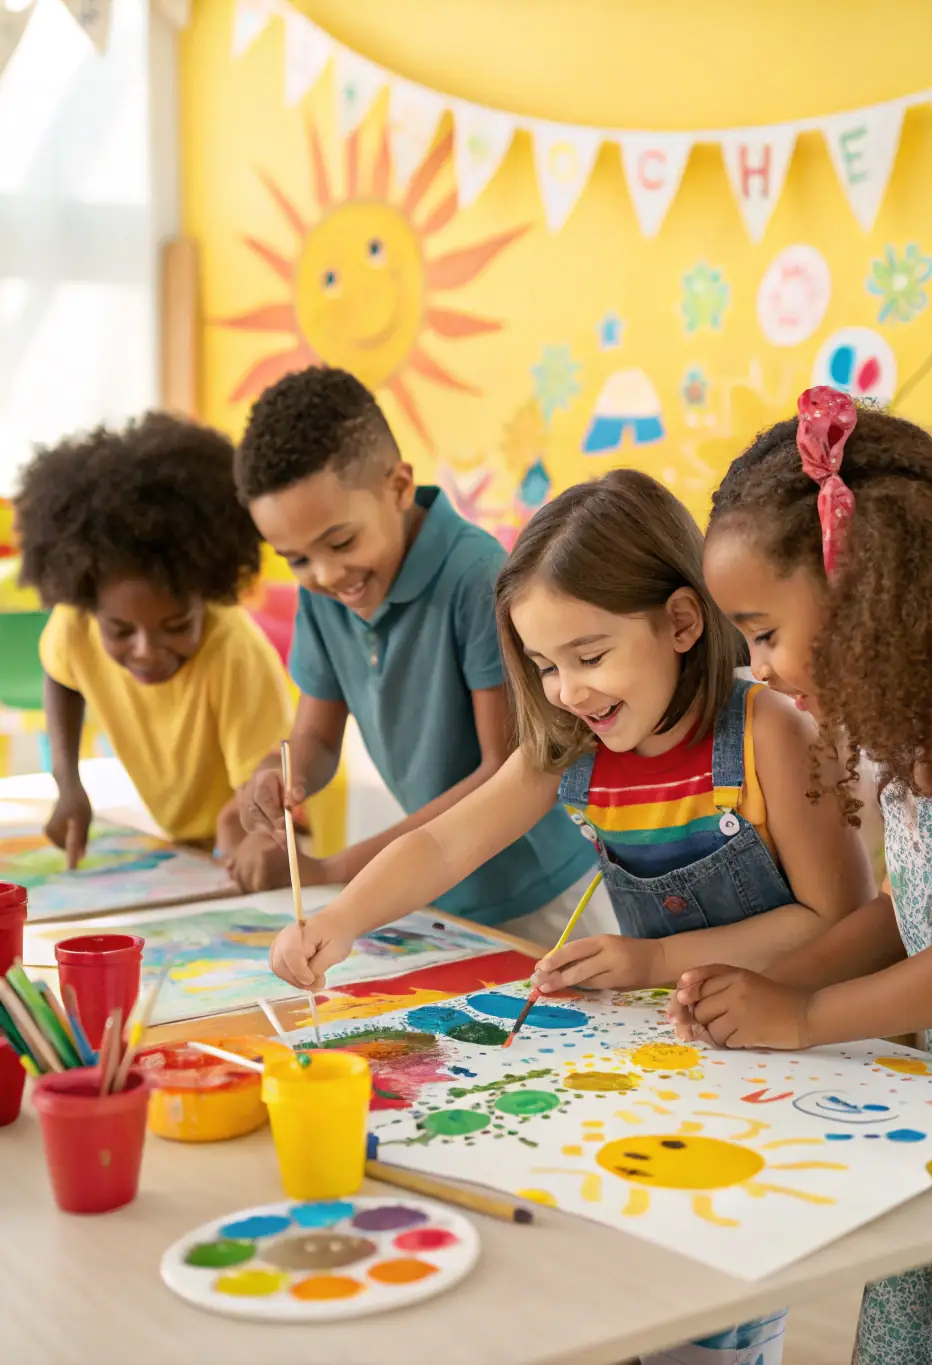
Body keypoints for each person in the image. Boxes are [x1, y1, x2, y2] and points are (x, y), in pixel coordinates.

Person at [267, 465, 873, 1365]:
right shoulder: (573, 744)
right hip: (674, 1047)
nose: (568, 691)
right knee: (637, 1256)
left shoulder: (771, 732)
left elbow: (837, 922)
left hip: (789, 1051)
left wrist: (649, 961)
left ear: (680, 621)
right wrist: (343, 917)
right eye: (546, 666)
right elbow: (442, 844)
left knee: (723, 1288)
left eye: (589, 657)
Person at [673, 386, 932, 1365]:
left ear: (864, 590)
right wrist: (778, 984)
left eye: (765, 632)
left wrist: (805, 1019)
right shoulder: (902, 722)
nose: (755, 665)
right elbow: (913, 911)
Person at [232, 365, 604, 942]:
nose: (326, 574)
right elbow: (318, 738)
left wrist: (336, 873)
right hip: (432, 891)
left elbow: (498, 772)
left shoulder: (474, 577)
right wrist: (275, 775)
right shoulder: (328, 594)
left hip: (536, 894)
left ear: (400, 487)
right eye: (296, 559)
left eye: (340, 542)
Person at [15, 413, 292, 863]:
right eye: (120, 631)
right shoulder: (77, 624)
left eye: (177, 626)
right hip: (182, 844)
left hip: (267, 837)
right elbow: (61, 677)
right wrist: (68, 784)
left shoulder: (235, 652)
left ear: (208, 592)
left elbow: (261, 799)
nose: (146, 651)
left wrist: (245, 845)